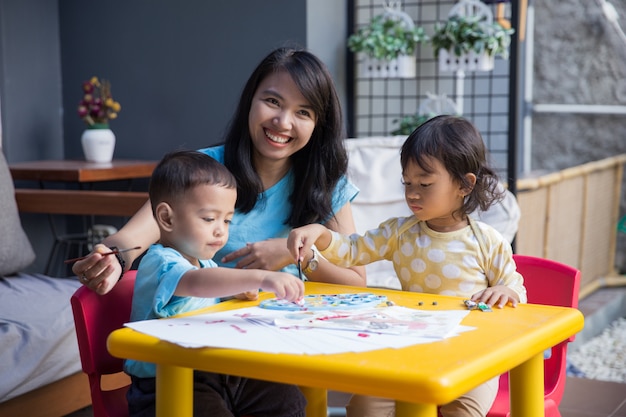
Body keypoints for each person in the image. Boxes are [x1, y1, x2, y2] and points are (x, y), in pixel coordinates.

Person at [73, 46, 366, 294]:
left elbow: (356, 281)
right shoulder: (202, 170)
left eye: (303, 112)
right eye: (273, 101)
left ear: (318, 125)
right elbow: (132, 238)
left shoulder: (326, 182)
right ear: (250, 100)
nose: (283, 122)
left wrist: (296, 255)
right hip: (209, 333)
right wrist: (110, 258)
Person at [287, 115, 528, 417]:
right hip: (411, 349)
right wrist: (321, 235)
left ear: (465, 185)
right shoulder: (399, 233)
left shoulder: (486, 240)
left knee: (463, 412)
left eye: (425, 183)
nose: (412, 193)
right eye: (407, 182)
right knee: (364, 406)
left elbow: (515, 285)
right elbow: (352, 250)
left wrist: (506, 290)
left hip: (474, 354)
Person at [125, 150, 306, 417]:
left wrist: (234, 293)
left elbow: (206, 294)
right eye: (209, 219)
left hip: (214, 370)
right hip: (166, 383)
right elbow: (197, 284)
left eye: (227, 220)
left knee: (287, 398)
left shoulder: (204, 263)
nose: (221, 230)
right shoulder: (160, 262)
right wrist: (262, 277)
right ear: (167, 218)